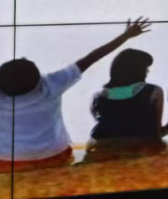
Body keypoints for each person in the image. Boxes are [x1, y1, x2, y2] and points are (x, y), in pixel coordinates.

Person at [0, 17, 150, 170]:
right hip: (53, 156)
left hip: (6, 160)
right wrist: (125, 36)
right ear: (37, 81)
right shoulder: (52, 84)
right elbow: (94, 56)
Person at [84, 48, 167, 162]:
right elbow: (156, 129)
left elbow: (101, 120)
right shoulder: (153, 91)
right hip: (138, 148)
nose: (148, 71)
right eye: (145, 68)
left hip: (100, 147)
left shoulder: (98, 95)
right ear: (138, 70)